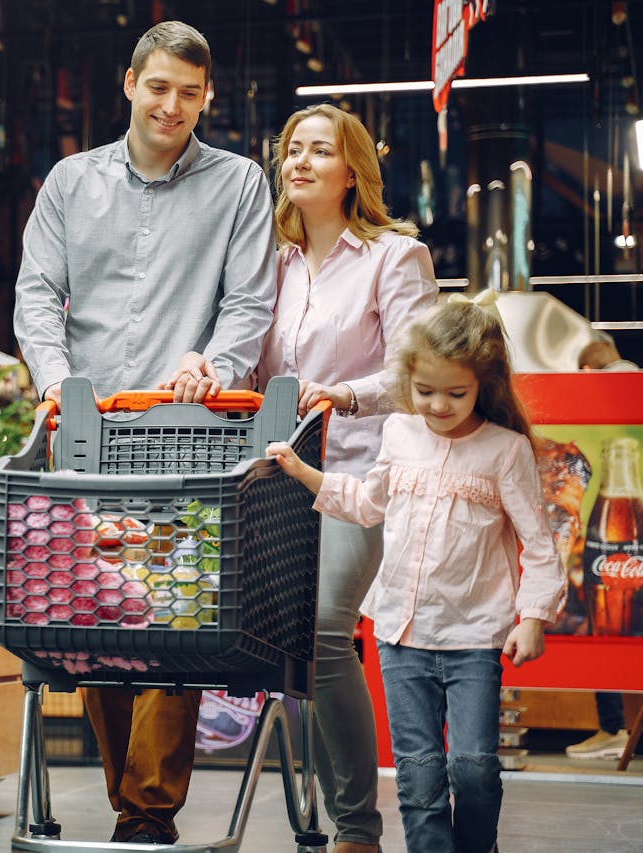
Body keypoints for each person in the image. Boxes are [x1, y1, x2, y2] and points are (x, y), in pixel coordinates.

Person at [12, 20, 276, 845]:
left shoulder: (238, 184)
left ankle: (148, 809)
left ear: (206, 98)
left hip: (191, 432)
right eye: (159, 87)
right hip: (88, 436)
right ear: (130, 84)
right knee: (98, 618)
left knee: (174, 613)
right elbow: (36, 294)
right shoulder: (69, 182)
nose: (173, 106)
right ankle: (135, 800)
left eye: (190, 94)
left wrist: (216, 361)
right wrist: (58, 385)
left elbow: (249, 302)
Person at [266, 296, 567, 853]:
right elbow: (365, 503)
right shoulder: (400, 433)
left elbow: (539, 545)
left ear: (485, 383)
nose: (438, 405)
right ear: (409, 379)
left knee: (473, 767)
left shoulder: (506, 451)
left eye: (456, 393)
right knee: (420, 775)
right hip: (401, 635)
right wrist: (305, 472)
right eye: (425, 391)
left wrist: (533, 617)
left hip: (475, 635)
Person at [250, 102, 438, 853]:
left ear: (352, 170)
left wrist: (348, 393)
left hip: (363, 470)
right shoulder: (271, 261)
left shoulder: (395, 255)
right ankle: (325, 819)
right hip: (276, 477)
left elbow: (418, 369)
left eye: (318, 151)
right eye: (292, 149)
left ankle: (357, 826)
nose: (299, 161)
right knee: (290, 644)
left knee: (326, 630)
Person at [565, 335, 637, 759]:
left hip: (613, 526)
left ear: (586, 374)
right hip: (632, 521)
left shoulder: (599, 395)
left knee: (604, 613)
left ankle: (613, 726)